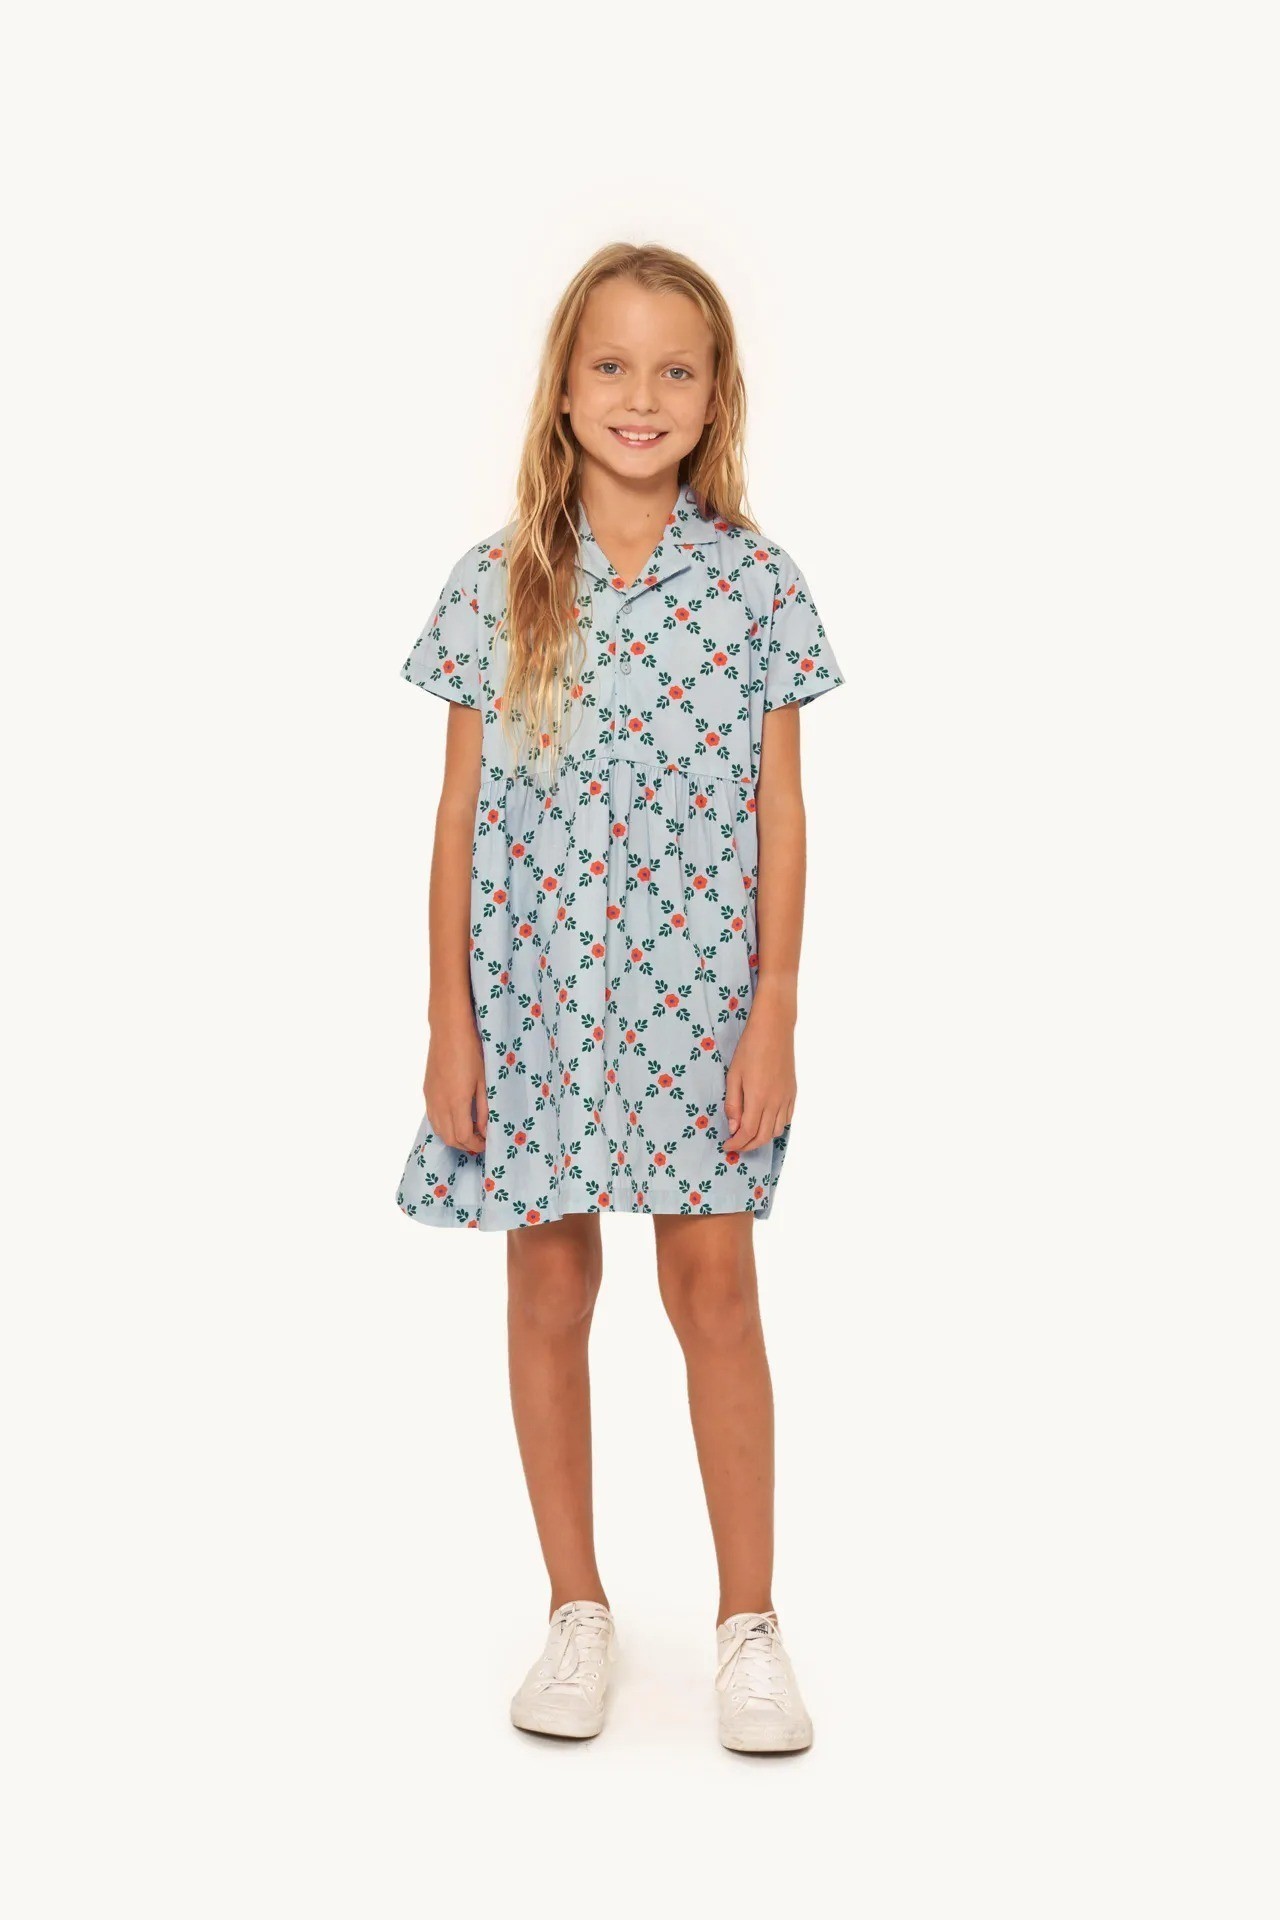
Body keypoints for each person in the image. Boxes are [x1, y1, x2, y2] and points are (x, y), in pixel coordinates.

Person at [393, 242, 846, 1752]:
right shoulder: (496, 584)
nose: (640, 395)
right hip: (535, 1003)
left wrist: (775, 1007)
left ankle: (749, 1624)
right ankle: (575, 1608)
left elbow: (783, 811)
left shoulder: (757, 588)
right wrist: (450, 1022)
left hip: (699, 1013)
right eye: (611, 364)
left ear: (715, 395)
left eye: (674, 368)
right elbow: (458, 818)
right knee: (548, 1283)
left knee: (714, 1291)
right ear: (565, 386)